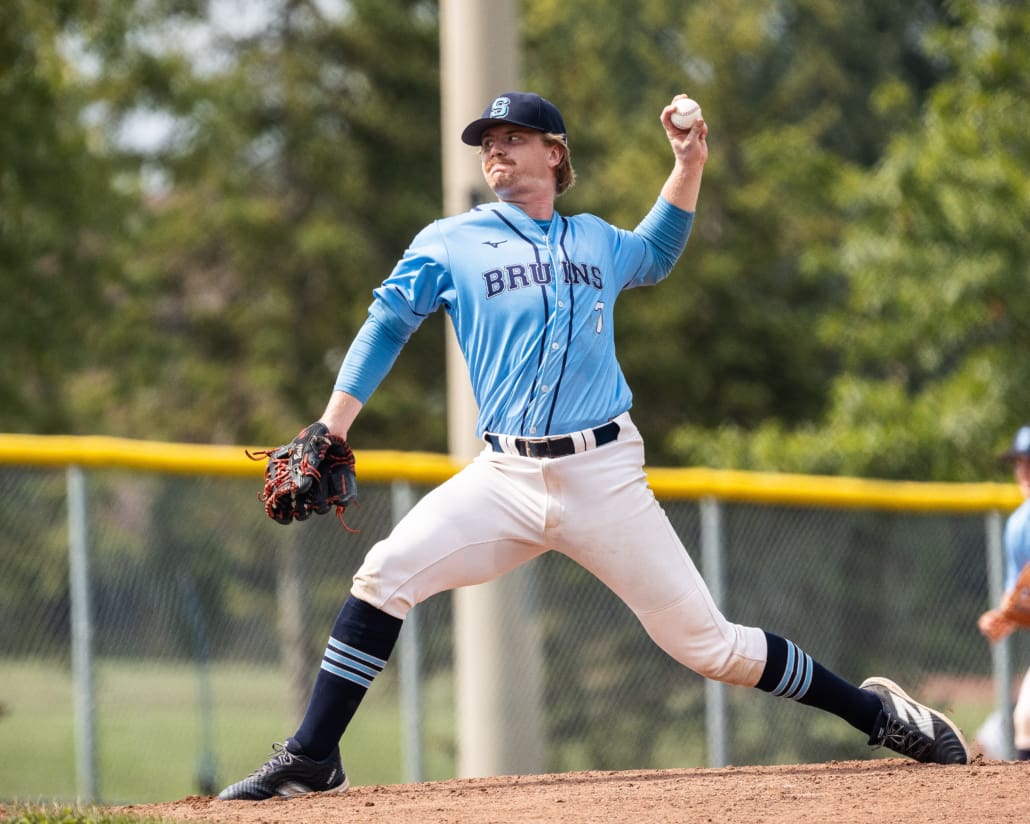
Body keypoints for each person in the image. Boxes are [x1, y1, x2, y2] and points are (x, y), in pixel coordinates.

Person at [217, 91, 968, 801]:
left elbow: (657, 252)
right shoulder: (451, 241)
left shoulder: (595, 240)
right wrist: (332, 425)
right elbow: (388, 322)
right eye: (488, 142)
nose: (496, 152)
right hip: (505, 476)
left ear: (555, 153)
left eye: (513, 139)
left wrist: (688, 162)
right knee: (383, 574)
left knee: (710, 648)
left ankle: (882, 716)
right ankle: (314, 755)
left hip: (604, 474)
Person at [977, 424, 1030, 760]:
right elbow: (1017, 600)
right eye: (1019, 462)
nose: (1024, 470)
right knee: (1026, 717)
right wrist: (1002, 616)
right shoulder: (1018, 527)